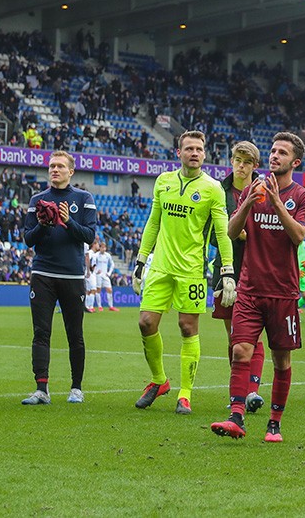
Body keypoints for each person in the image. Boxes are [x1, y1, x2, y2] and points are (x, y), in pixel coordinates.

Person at [211, 132, 305, 442]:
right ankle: (236, 416)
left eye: (282, 152)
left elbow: (298, 236)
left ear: (294, 161)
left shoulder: (303, 196)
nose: (274, 156)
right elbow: (231, 231)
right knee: (240, 350)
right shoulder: (251, 190)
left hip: (283, 292)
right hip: (250, 289)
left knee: (281, 359)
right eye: (272, 151)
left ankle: (274, 422)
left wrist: (276, 203)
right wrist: (247, 204)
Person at [132, 131, 234, 415]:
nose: (194, 152)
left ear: (204, 154)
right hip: (161, 267)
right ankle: (159, 381)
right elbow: (153, 223)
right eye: (188, 148)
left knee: (187, 328)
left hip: (191, 270)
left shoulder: (213, 188)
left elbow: (223, 232)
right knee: (145, 322)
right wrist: (141, 260)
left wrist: (227, 270)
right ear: (179, 152)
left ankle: (185, 394)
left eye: (199, 149)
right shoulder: (163, 182)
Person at [21, 151, 97, 405]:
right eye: (52, 166)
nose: (55, 170)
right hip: (42, 273)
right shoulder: (37, 199)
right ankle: (41, 389)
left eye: (60, 166)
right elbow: (28, 239)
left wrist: (67, 221)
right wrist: (43, 225)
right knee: (41, 332)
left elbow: (88, 236)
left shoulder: (83, 198)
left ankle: (76, 388)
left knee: (74, 333)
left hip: (72, 275)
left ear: (71, 171)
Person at [208, 141, 267, 414]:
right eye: (237, 159)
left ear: (255, 165)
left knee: (252, 334)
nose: (240, 165)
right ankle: (239, 390)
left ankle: (251, 389)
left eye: (246, 161)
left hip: (259, 268)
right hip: (227, 269)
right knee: (234, 336)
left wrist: (251, 233)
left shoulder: (266, 190)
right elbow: (208, 228)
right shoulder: (218, 190)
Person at [92, 241, 118, 311]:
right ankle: (99, 306)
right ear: (99, 248)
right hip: (98, 275)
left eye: (104, 248)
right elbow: (93, 264)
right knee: (98, 290)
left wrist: (109, 273)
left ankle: (111, 306)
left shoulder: (107, 255)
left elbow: (112, 264)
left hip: (105, 275)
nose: (103, 249)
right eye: (102, 247)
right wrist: (96, 271)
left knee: (109, 289)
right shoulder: (96, 255)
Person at [84, 240, 99, 313]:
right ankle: (90, 306)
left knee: (88, 290)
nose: (98, 246)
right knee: (93, 290)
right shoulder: (90, 253)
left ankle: (87, 306)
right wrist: (88, 271)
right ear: (94, 245)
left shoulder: (93, 253)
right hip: (90, 273)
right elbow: (87, 261)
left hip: (90, 272)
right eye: (97, 244)